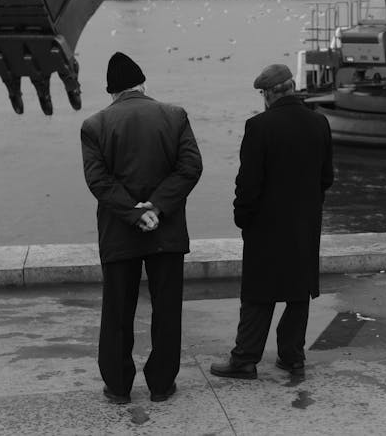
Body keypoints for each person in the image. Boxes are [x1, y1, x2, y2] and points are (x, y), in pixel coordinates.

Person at [81, 51, 203, 405]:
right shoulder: (175, 115)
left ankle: (118, 387)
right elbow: (190, 167)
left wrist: (135, 214)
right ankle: (161, 385)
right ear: (142, 84)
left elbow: (98, 182)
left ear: (112, 93)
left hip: (120, 233)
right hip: (167, 232)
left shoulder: (94, 125)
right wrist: (158, 207)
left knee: (118, 312)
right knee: (166, 311)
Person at [210, 63, 334, 380]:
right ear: (292, 88)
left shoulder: (259, 126)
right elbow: (326, 178)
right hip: (305, 224)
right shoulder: (320, 123)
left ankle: (245, 359)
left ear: (267, 94)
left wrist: (243, 217)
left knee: (258, 292)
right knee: (298, 290)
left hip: (266, 225)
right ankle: (292, 358)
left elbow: (248, 183)